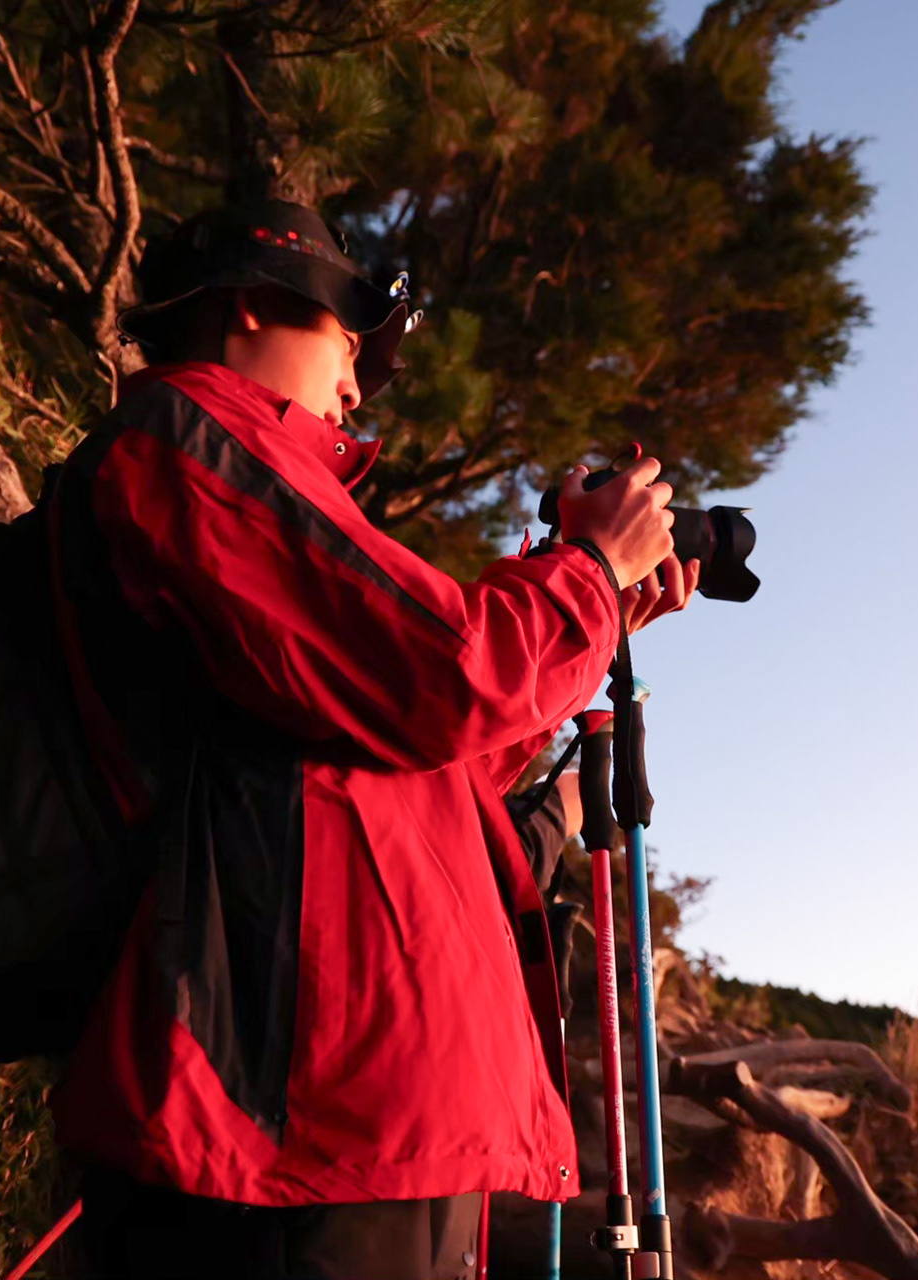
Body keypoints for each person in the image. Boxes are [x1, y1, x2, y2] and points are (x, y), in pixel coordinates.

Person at [46, 200, 698, 1280]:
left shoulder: (234, 472)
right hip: (287, 1129)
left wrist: (600, 615)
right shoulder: (186, 439)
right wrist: (584, 574)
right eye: (350, 344)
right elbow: (443, 677)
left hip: (365, 1122)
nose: (356, 387)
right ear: (254, 301)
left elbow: (434, 766)